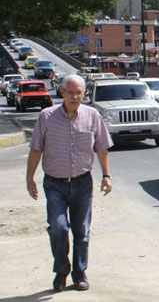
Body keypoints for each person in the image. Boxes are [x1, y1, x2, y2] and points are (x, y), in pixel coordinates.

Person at [26, 74, 113, 292]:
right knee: (58, 227)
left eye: (79, 93)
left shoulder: (93, 116)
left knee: (81, 230)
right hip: (55, 184)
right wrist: (30, 179)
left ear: (84, 94)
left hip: (83, 183)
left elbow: (102, 148)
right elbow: (36, 149)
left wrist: (106, 176)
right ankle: (61, 270)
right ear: (62, 92)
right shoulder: (46, 117)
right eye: (71, 92)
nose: (75, 97)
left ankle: (80, 274)